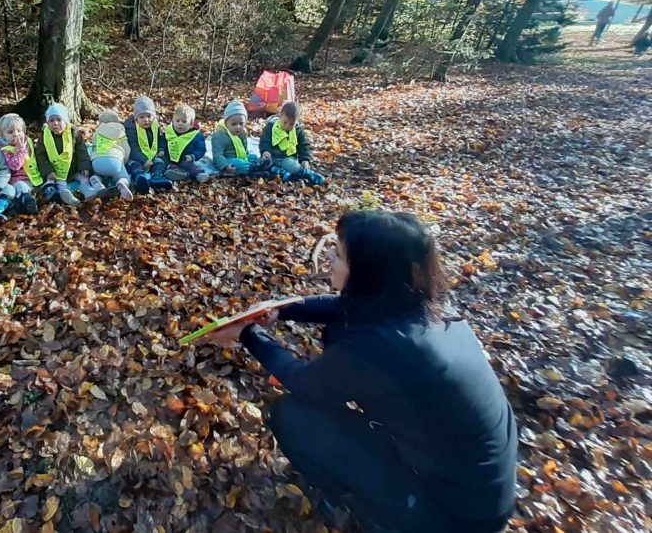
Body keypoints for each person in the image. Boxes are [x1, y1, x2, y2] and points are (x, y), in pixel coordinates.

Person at [197, 210, 517, 533]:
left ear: (366, 274)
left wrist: (247, 334)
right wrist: (281, 310)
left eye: (338, 256)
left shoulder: (381, 350)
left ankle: (356, 506)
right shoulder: (426, 310)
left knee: (292, 414)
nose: (331, 262)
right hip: (481, 492)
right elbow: (347, 307)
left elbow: (301, 381)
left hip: (455, 517)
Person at [34, 103, 104, 206]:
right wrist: (48, 171)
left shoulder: (73, 133)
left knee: (83, 179)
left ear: (66, 121)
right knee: (61, 184)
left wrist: (84, 166)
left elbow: (81, 150)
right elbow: (41, 156)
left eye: (59, 120)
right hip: (55, 171)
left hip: (73, 167)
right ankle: (68, 197)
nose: (55, 123)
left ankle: (89, 192)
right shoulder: (44, 137)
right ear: (47, 123)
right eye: (51, 120)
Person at [258, 101, 325, 185]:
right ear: (280, 116)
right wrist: (265, 151)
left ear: (296, 122)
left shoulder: (298, 131)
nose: (287, 126)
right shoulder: (271, 127)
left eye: (291, 124)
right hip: (273, 156)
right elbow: (264, 141)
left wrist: (305, 159)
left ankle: (307, 174)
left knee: (292, 166)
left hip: (287, 158)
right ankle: (280, 173)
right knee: (263, 165)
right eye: (285, 122)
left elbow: (304, 146)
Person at [124, 96, 173, 194]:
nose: (146, 120)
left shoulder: (155, 126)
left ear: (153, 116)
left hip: (152, 154)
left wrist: (161, 149)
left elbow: (160, 139)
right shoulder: (131, 129)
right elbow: (133, 147)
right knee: (134, 165)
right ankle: (139, 178)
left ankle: (157, 177)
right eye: (142, 117)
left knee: (160, 162)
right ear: (136, 118)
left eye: (149, 116)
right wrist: (144, 160)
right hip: (136, 156)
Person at [0, 113, 41, 215]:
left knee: (28, 187)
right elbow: (15, 166)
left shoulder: (27, 143)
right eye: (10, 132)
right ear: (3, 135)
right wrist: (20, 150)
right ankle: (25, 202)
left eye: (19, 131)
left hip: (30, 178)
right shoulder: (5, 149)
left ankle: (28, 201)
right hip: (13, 181)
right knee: (19, 187)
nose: (16, 134)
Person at [211, 99, 267, 177]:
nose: (238, 127)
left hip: (240, 157)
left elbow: (244, 149)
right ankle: (254, 170)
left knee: (253, 157)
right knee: (239, 165)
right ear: (226, 123)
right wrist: (225, 166)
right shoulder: (220, 136)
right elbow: (217, 155)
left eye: (241, 123)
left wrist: (248, 156)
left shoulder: (242, 133)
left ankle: (256, 166)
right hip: (227, 160)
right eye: (233, 124)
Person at [90, 110, 135, 200]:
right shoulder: (120, 131)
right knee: (124, 176)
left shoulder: (98, 132)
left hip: (97, 161)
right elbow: (126, 149)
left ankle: (96, 180)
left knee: (99, 174)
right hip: (115, 160)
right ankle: (122, 184)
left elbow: (94, 147)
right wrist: (124, 161)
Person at [162, 104, 210, 184]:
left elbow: (201, 149)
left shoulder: (195, 136)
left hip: (186, 158)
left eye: (184, 122)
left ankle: (199, 174)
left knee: (189, 165)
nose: (180, 124)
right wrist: (161, 150)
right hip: (170, 157)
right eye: (177, 121)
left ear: (191, 124)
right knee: (163, 162)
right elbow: (162, 142)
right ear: (173, 121)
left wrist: (193, 156)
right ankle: (178, 173)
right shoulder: (169, 132)